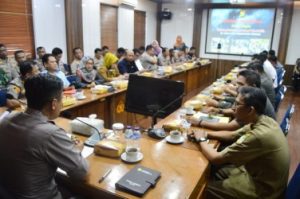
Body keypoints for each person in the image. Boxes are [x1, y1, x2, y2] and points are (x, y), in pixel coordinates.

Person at [0, 74, 89, 198]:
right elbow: (81, 174)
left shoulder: (6, 119)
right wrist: (77, 151)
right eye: (61, 99)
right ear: (53, 103)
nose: (62, 104)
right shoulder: (50, 133)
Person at [192, 86, 289, 199]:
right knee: (217, 171)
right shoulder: (263, 120)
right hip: (256, 173)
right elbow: (232, 135)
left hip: (263, 190)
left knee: (202, 189)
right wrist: (206, 134)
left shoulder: (258, 135)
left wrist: (201, 140)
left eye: (237, 104)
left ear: (250, 110)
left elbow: (216, 158)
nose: (233, 108)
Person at [191, 70, 276, 131]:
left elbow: (231, 127)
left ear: (253, 86)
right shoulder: (256, 93)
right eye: (237, 83)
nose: (236, 87)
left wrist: (200, 122)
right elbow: (234, 110)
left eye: (241, 84)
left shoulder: (253, 101)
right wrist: (218, 110)